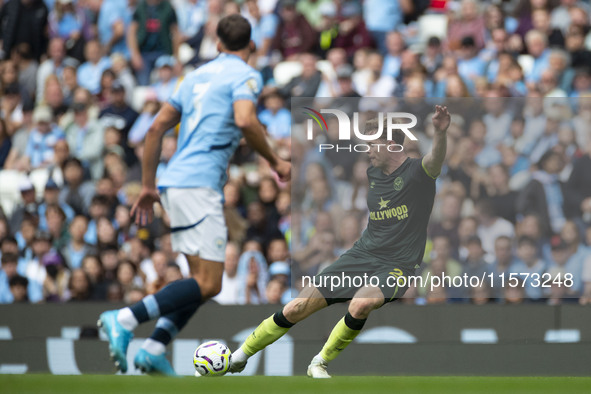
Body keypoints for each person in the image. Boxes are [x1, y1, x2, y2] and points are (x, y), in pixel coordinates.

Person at [97, 14, 290, 376]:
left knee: (199, 283)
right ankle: (124, 319)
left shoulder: (194, 77)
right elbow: (246, 120)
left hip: (176, 183)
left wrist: (150, 186)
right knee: (210, 282)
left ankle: (153, 349)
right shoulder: (246, 75)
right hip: (199, 185)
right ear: (251, 46)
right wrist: (276, 160)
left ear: (217, 44)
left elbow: (154, 129)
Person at [229, 105, 450, 378]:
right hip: (361, 255)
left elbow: (435, 161)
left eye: (372, 144)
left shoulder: (418, 173)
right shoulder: (373, 174)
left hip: (399, 265)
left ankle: (319, 362)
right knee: (296, 306)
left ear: (391, 145)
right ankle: (239, 357)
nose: (367, 150)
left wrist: (440, 133)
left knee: (360, 304)